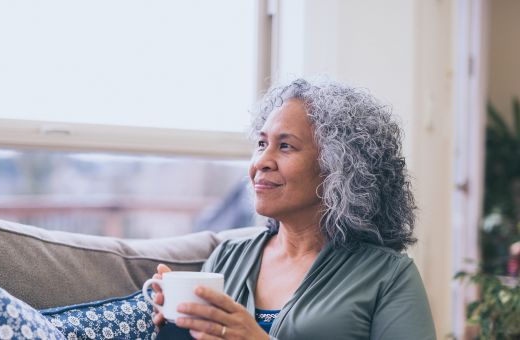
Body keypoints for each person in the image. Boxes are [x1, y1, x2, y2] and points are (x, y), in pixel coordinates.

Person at [151, 79, 436, 339]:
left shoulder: (388, 276)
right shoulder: (226, 258)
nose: (262, 160)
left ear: (340, 168)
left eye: (286, 146)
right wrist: (174, 326)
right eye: (262, 143)